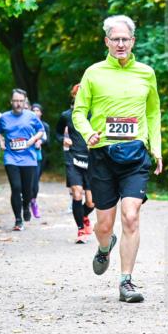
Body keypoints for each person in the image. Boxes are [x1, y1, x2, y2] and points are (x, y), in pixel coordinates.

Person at [72, 15, 163, 303]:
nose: (121, 43)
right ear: (107, 42)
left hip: (135, 154)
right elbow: (78, 112)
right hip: (102, 156)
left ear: (133, 41)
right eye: (116, 39)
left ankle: (126, 282)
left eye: (126, 39)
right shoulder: (93, 73)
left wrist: (156, 148)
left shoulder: (146, 73)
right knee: (104, 225)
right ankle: (104, 246)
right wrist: (89, 135)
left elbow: (153, 113)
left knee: (131, 216)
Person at [0, 89, 45, 231]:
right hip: (11, 157)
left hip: (29, 158)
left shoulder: (31, 116)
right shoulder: (4, 117)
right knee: (16, 188)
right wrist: (1, 142)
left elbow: (41, 130)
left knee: (27, 190)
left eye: (21, 101)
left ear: (25, 101)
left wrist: (34, 139)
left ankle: (26, 207)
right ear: (11, 101)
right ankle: (18, 220)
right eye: (15, 101)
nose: (18, 104)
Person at [57, 84, 96, 243]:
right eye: (77, 94)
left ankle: (84, 215)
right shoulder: (66, 115)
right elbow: (58, 132)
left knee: (92, 202)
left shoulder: (93, 114)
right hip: (72, 158)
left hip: (90, 159)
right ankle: (81, 230)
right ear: (73, 96)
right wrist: (63, 139)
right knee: (77, 193)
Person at [29, 103, 51, 219]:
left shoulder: (45, 126)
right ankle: (26, 200)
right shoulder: (27, 124)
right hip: (27, 156)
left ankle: (33, 202)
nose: (36, 112)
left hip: (40, 156)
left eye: (38, 110)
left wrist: (41, 142)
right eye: (33, 110)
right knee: (28, 180)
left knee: (35, 181)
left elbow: (49, 142)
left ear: (41, 113)